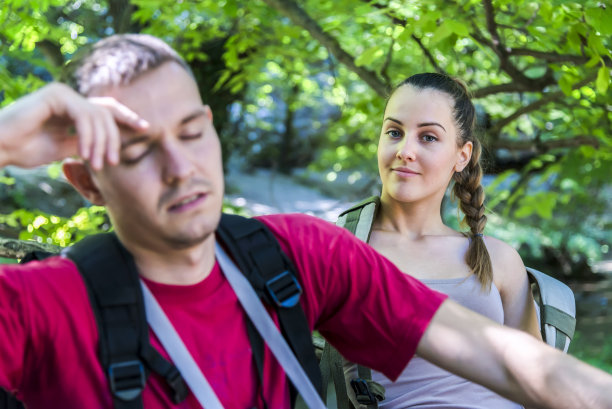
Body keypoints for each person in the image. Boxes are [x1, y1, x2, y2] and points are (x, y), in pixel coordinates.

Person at [0, 34, 610, 409]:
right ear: (84, 180)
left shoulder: (302, 256)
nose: (181, 169)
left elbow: (514, 363)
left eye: (192, 132)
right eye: (136, 150)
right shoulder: (35, 306)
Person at [338, 73, 541, 409]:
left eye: (428, 137)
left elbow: (539, 380)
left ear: (462, 156)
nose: (405, 151)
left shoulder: (497, 259)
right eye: (394, 132)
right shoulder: (342, 252)